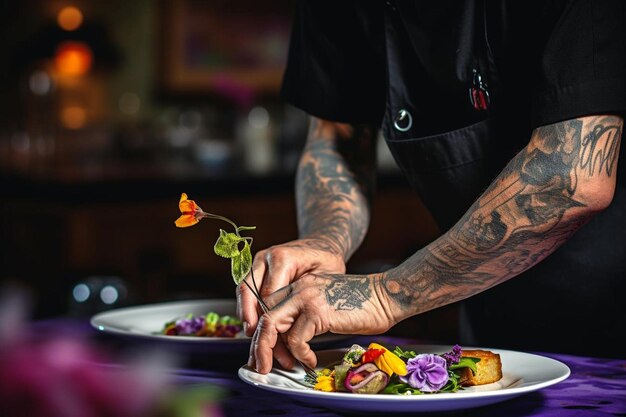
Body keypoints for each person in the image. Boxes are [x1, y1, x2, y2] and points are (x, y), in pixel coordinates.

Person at [238, 0, 626, 374]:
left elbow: (571, 178)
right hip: (487, 313)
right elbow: (336, 140)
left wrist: (385, 295)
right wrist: (326, 239)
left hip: (611, 320)